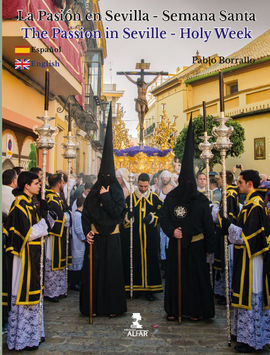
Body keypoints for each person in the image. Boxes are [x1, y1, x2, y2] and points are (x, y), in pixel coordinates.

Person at [159, 117, 215, 321]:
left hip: (196, 247)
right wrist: (172, 230)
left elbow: (208, 225)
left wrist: (210, 247)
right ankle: (175, 309)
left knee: (195, 280)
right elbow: (163, 217)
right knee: (176, 279)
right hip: (177, 245)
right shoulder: (172, 197)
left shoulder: (200, 199)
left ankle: (196, 311)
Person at [80, 104, 127, 317]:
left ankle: (112, 308)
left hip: (113, 241)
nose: (105, 181)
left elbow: (117, 213)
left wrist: (106, 196)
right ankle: (94, 307)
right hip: (97, 240)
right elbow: (85, 214)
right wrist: (87, 232)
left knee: (111, 275)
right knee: (95, 274)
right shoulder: (92, 193)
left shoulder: (116, 192)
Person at [222, 170, 270, 353]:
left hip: (253, 260)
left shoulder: (256, 206)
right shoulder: (250, 203)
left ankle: (253, 340)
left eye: (240, 182)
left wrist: (229, 227)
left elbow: (247, 236)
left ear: (250, 184)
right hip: (245, 258)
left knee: (251, 296)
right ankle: (243, 334)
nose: (237, 185)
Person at [4, 172, 48, 351]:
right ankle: (21, 339)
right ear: (26, 186)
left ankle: (33, 336)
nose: (39, 186)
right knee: (22, 296)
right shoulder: (19, 206)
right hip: (22, 260)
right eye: (37, 183)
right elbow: (26, 233)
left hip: (33, 257)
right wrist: (44, 225)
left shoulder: (30, 204)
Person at [121, 173, 163, 301]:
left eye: (145, 186)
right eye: (141, 186)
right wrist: (128, 216)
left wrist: (152, 218)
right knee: (134, 260)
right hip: (134, 238)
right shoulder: (130, 199)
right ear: (137, 184)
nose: (143, 189)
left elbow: (162, 213)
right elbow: (123, 216)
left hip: (150, 238)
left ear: (148, 184)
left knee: (151, 260)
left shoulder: (155, 198)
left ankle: (150, 289)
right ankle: (134, 288)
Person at [212, 171, 239, 305]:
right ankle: (221, 291)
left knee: (226, 263)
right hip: (221, 233)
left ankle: (227, 293)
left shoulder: (229, 194)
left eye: (220, 178)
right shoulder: (225, 193)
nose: (218, 181)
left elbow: (229, 217)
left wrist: (217, 215)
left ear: (224, 179)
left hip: (226, 234)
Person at [44, 173, 71, 302]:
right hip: (53, 236)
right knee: (52, 262)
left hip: (60, 236)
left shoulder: (57, 197)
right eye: (63, 183)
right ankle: (51, 292)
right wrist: (67, 216)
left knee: (59, 263)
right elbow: (57, 216)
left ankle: (59, 289)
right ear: (59, 183)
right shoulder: (51, 198)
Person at [158, 170, 176, 276]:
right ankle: (164, 267)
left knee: (170, 243)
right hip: (161, 221)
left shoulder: (174, 190)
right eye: (163, 177)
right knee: (162, 244)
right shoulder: (158, 190)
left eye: (166, 177)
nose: (165, 179)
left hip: (171, 221)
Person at [69, 196, 86, 291]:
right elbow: (78, 229)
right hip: (78, 243)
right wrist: (84, 238)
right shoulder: (78, 215)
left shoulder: (76, 214)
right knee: (77, 264)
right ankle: (75, 283)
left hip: (78, 243)